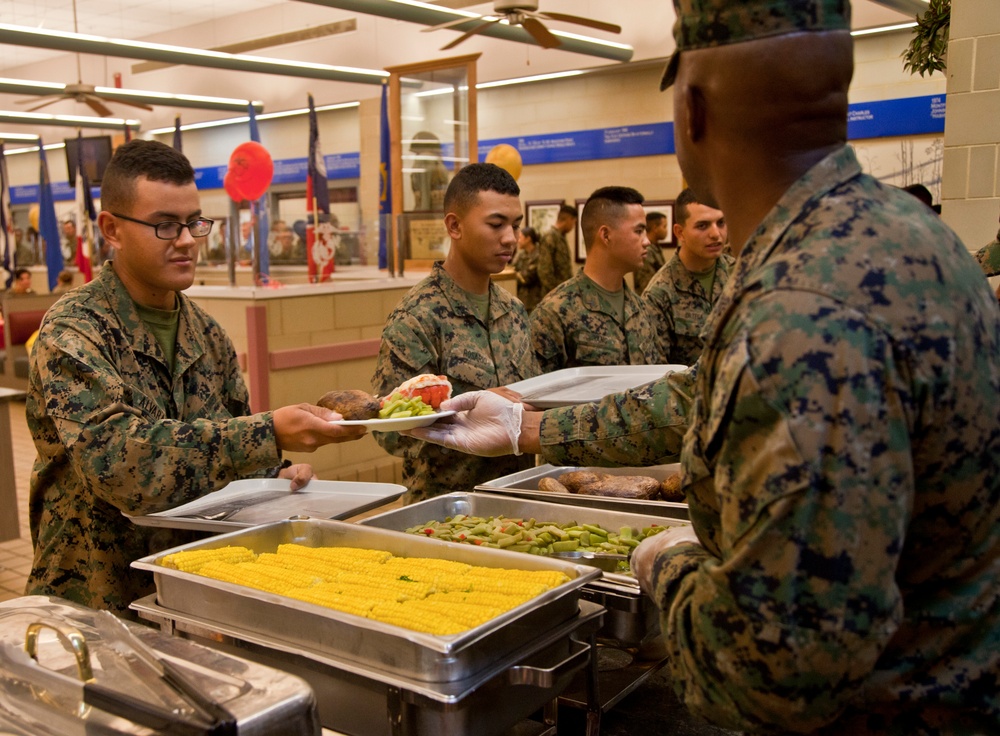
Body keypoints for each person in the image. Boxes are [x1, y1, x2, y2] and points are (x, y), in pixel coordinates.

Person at [409, 0, 1000, 731]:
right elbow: (709, 397)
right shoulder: (903, 236)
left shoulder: (802, 304)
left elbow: (769, 674)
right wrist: (530, 428)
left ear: (691, 109)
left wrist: (670, 561)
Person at [25, 140, 365, 615]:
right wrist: (265, 434)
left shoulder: (206, 333)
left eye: (194, 223)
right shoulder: (75, 331)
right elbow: (119, 466)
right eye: (165, 225)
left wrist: (277, 472)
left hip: (194, 583)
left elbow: (229, 438)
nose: (186, 240)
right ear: (112, 230)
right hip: (98, 592)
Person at [372, 162, 539, 503]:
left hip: (518, 498)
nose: (510, 238)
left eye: (516, 225)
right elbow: (388, 433)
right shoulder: (418, 318)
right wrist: (469, 411)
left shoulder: (514, 311)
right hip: (449, 508)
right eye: (496, 224)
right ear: (454, 226)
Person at [529, 186, 662, 373]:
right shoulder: (554, 314)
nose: (647, 241)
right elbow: (537, 397)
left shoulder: (641, 310)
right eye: (639, 231)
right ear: (606, 235)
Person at [642, 188, 732, 365]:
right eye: (702, 225)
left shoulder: (741, 273)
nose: (716, 234)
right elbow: (657, 376)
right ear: (680, 232)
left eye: (721, 223)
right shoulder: (659, 294)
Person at [537, 203, 578, 299]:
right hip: (554, 296)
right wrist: (556, 293)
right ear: (568, 219)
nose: (573, 226)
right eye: (574, 222)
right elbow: (544, 271)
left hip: (563, 294)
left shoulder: (560, 237)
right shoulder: (550, 237)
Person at [633, 210, 669, 293]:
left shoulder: (656, 248)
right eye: (664, 226)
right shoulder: (646, 251)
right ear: (655, 228)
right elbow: (647, 286)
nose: (666, 230)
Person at [511, 225, 542, 312]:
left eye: (520, 238)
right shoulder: (520, 255)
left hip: (534, 300)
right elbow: (511, 271)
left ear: (528, 239)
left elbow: (527, 278)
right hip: (519, 298)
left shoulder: (539, 255)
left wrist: (516, 274)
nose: (518, 241)